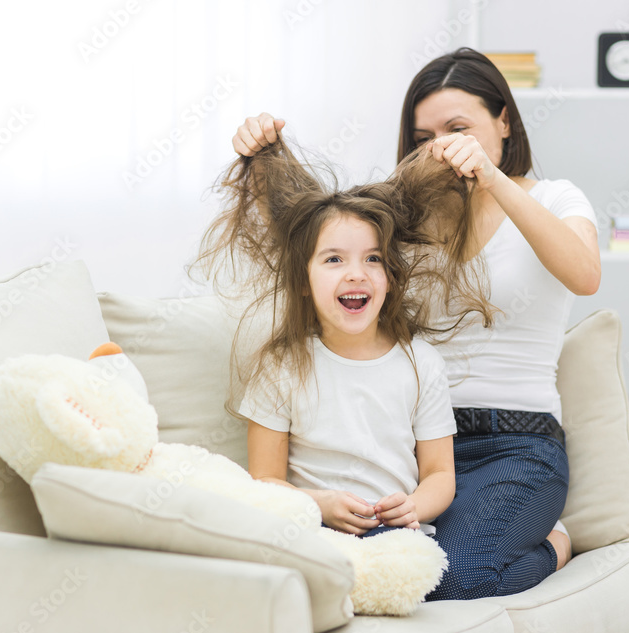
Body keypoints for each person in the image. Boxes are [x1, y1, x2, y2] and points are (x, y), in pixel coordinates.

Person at [230, 47, 600, 600]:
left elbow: (584, 273)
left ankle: (554, 545)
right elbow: (321, 238)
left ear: (503, 121)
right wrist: (261, 155)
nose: (441, 146)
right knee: (400, 571)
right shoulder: (405, 220)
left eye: (458, 127)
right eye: (423, 136)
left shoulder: (553, 197)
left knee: (450, 578)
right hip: (418, 447)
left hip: (516, 443)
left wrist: (493, 179)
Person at [197, 135, 494, 539]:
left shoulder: (421, 363)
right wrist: (319, 504)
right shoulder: (282, 366)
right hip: (310, 531)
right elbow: (264, 480)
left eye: (373, 259)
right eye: (334, 259)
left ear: (389, 278)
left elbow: (440, 475)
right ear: (303, 280)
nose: (356, 273)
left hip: (398, 539)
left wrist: (414, 507)